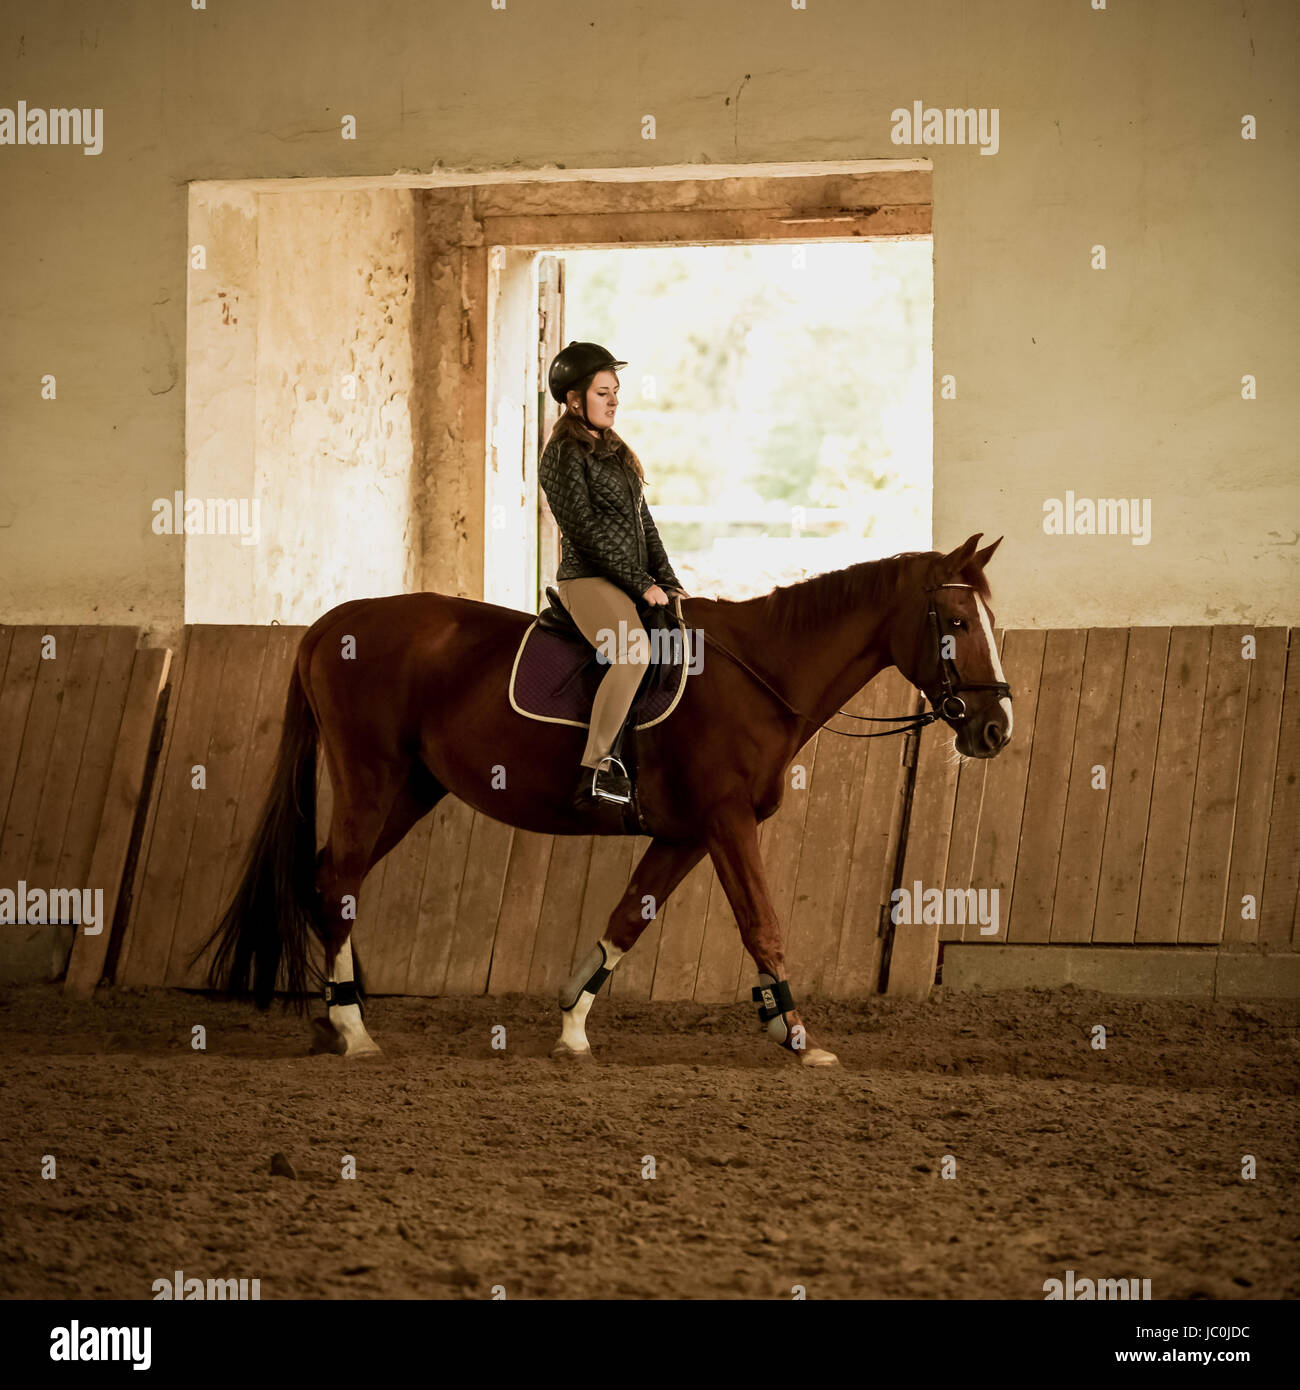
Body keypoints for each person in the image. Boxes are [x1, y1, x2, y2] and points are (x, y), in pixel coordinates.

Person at [540, 341, 687, 808]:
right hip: (586, 579)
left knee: (685, 646)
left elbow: (644, 524)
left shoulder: (617, 452)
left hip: (630, 577)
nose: (614, 400)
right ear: (574, 399)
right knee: (633, 652)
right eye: (603, 392)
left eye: (616, 392)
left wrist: (668, 579)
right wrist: (640, 583)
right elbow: (582, 531)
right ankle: (596, 768)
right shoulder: (564, 454)